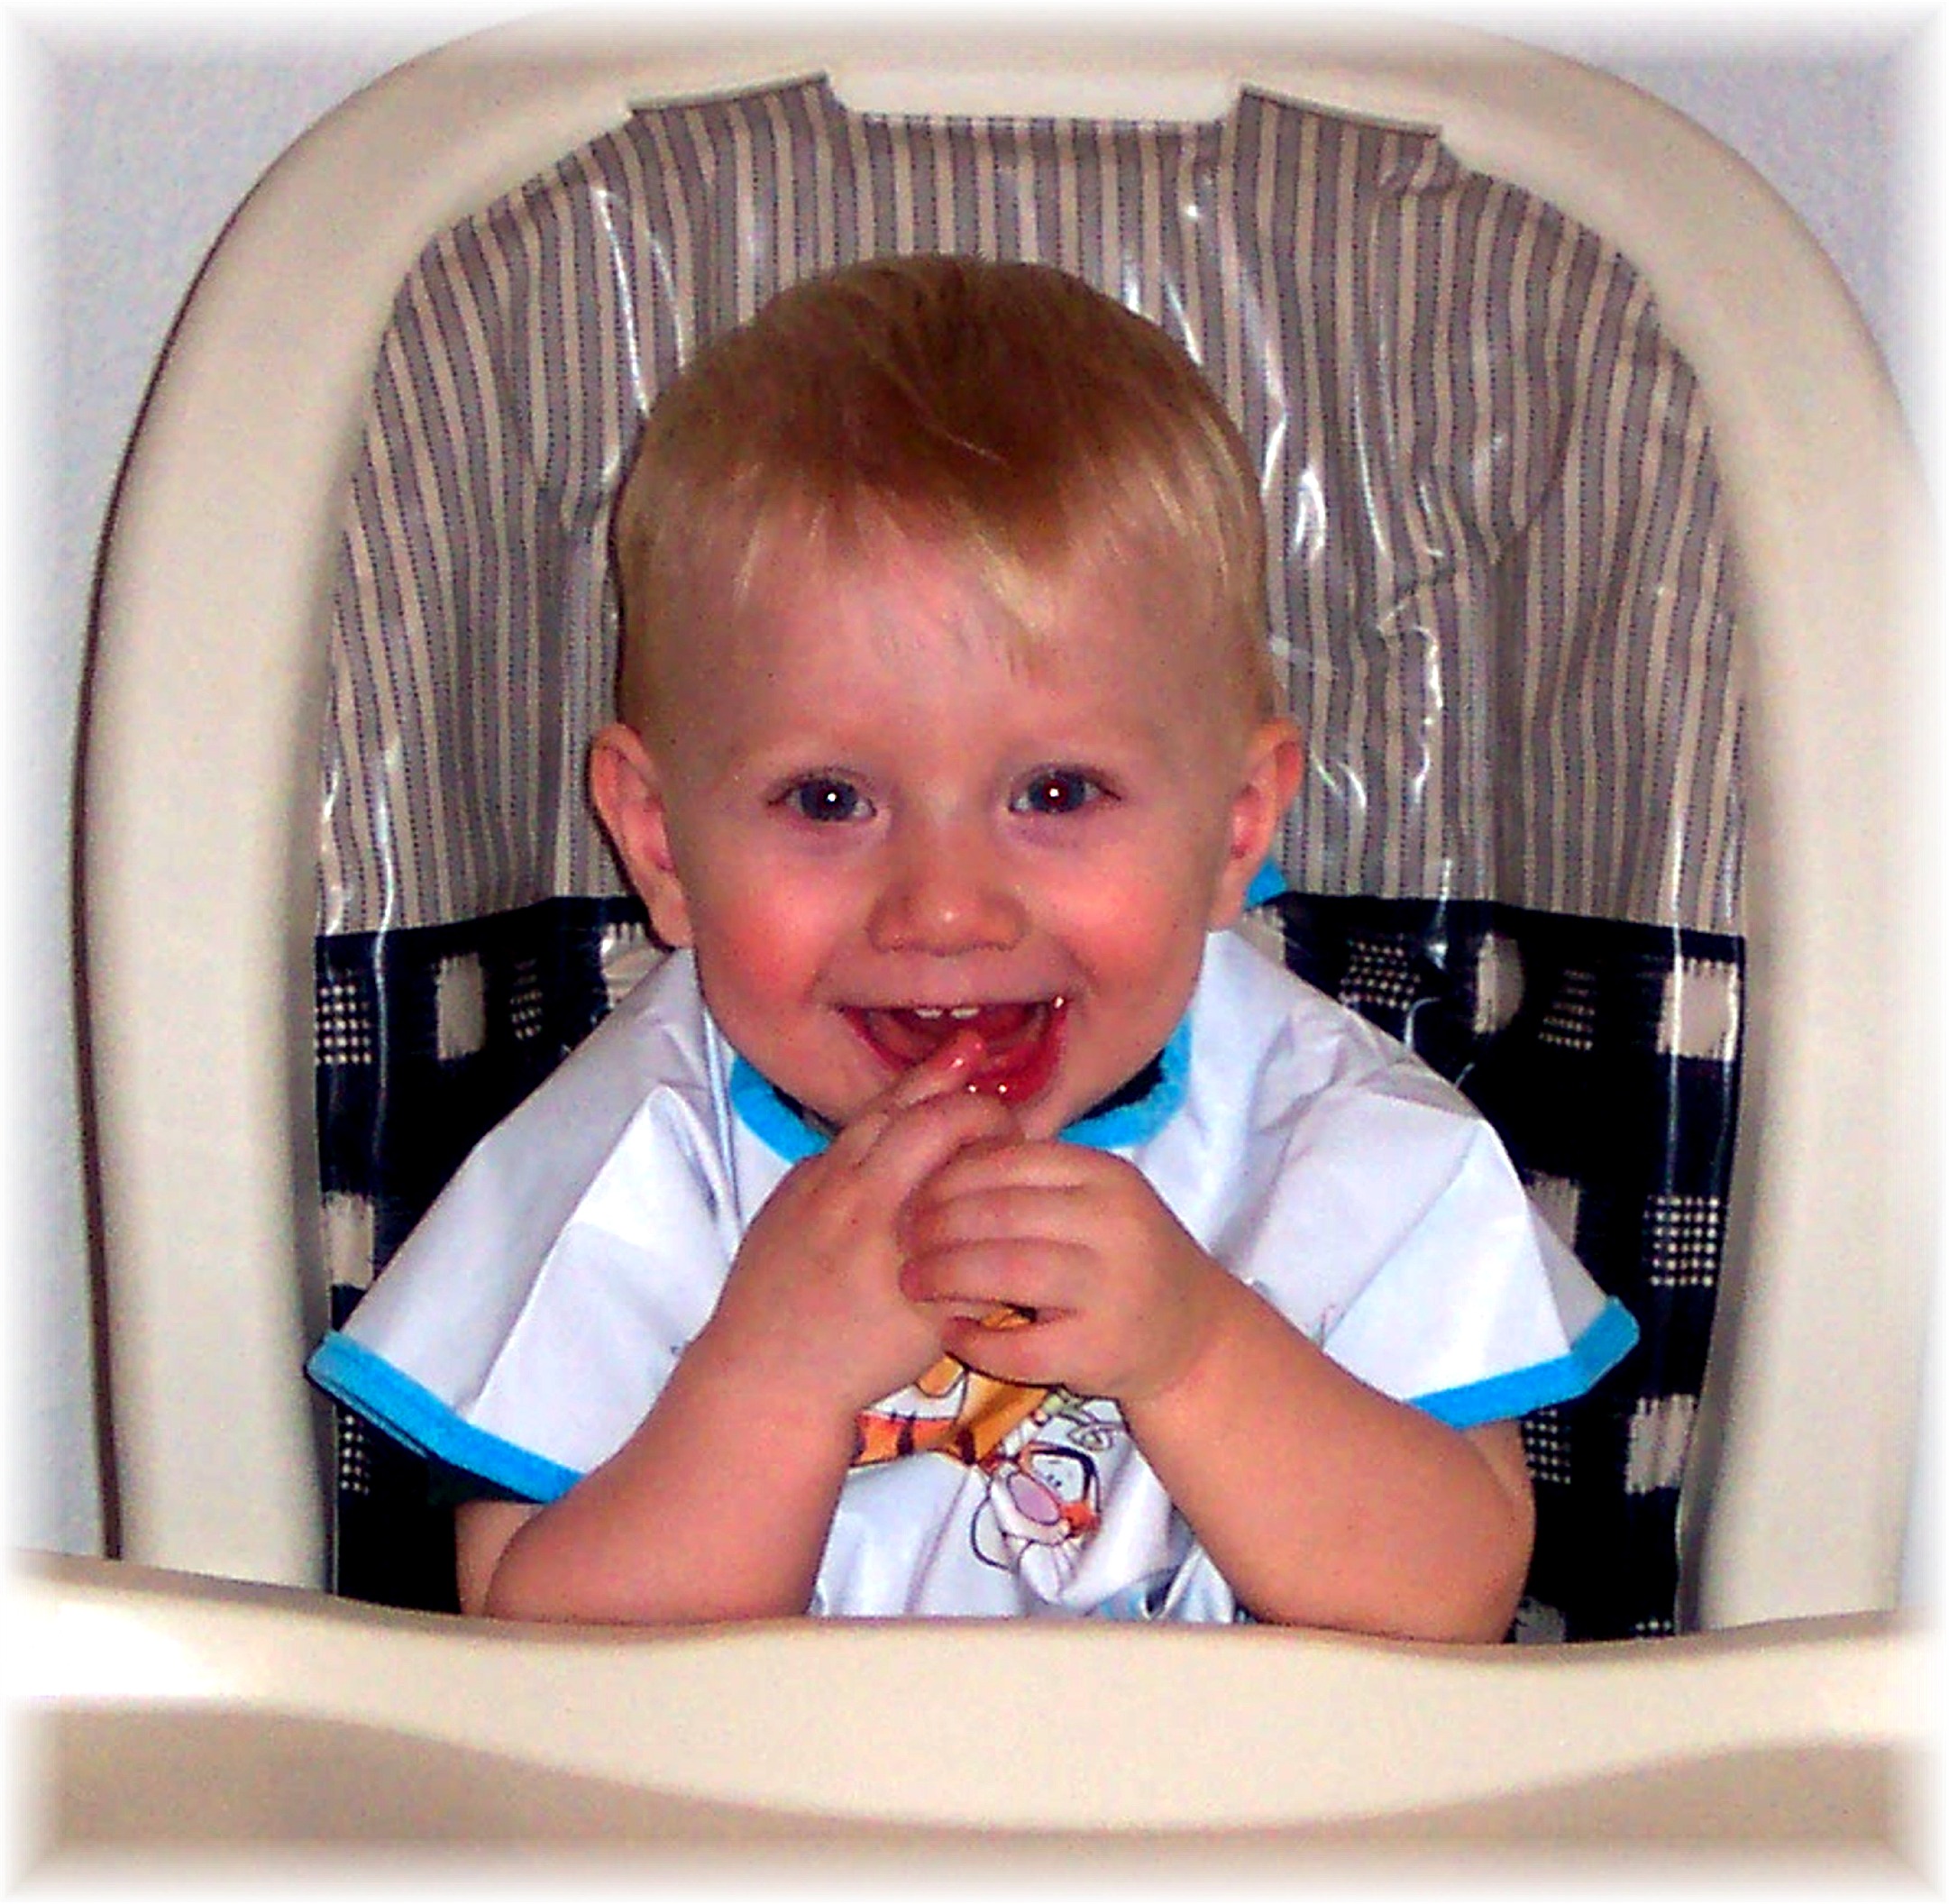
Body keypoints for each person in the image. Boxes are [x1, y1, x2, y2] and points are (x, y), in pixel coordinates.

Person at [307, 254, 1636, 1638]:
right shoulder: (628, 1169)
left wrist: (1193, 1352)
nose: (943, 911)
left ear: (1235, 825)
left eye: (1055, 794)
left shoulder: (1342, 1143)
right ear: (659, 843)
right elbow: (543, 1664)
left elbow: (1450, 1601)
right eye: (828, 801)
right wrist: (767, 1383)